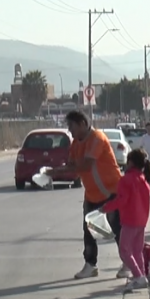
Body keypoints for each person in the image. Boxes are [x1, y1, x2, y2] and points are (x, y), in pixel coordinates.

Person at [51, 110, 124, 279]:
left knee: (118, 230)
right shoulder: (76, 143)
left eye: (72, 126)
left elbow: (86, 166)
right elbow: (73, 169)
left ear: (83, 124)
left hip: (111, 192)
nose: (70, 130)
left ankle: (128, 262)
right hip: (91, 195)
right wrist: (55, 171)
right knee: (89, 230)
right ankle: (90, 265)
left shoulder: (97, 138)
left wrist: (61, 170)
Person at [102, 149, 150, 291]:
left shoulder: (126, 180)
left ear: (130, 162)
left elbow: (121, 200)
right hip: (141, 221)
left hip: (130, 220)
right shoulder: (143, 180)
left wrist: (106, 207)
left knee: (125, 250)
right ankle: (141, 275)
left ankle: (138, 276)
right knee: (137, 250)